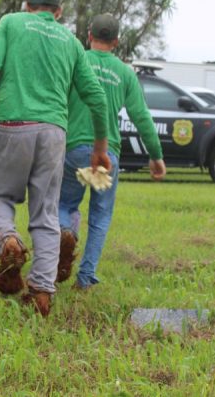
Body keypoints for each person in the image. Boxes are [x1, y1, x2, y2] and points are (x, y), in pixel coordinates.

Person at [0, 0, 110, 316]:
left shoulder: (11, 22)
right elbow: (97, 98)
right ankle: (42, 291)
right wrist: (100, 148)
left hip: (11, 125)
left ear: (26, 4)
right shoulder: (71, 42)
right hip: (54, 132)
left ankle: (8, 242)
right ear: (58, 12)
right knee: (45, 213)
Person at [57, 14, 166, 289]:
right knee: (100, 215)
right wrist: (155, 156)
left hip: (73, 151)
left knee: (64, 204)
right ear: (116, 42)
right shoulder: (126, 73)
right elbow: (141, 117)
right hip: (106, 156)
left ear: (89, 35)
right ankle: (85, 277)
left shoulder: (76, 60)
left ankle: (66, 232)